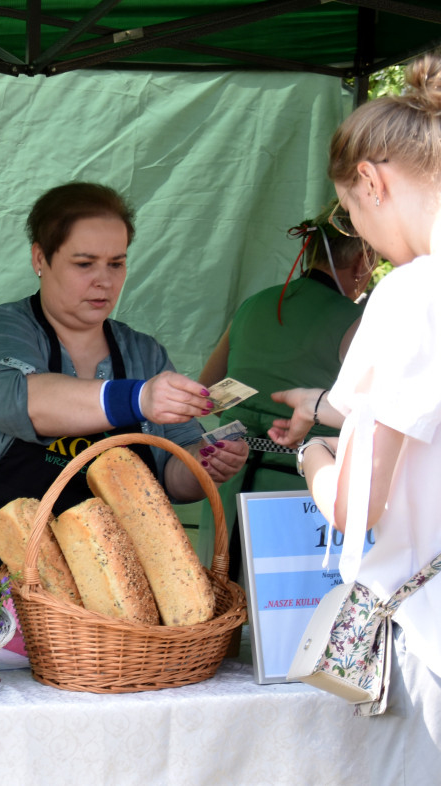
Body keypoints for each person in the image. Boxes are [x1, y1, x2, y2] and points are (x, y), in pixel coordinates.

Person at [0, 182, 248, 580]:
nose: (104, 281)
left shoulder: (144, 354)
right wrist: (138, 398)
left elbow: (173, 478)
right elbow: (29, 402)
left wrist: (206, 463)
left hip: (98, 601)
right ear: (40, 258)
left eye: (116, 263)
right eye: (84, 263)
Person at [269, 55, 441, 776]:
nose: (360, 237)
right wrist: (325, 410)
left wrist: (311, 459)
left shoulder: (411, 294)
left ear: (371, 181)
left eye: (349, 212)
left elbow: (355, 504)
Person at [196, 204, 378, 575]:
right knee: (287, 615)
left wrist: (249, 414)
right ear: (361, 261)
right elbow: (373, 413)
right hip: (298, 492)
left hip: (228, 480)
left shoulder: (254, 304)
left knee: (218, 609)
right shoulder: (356, 322)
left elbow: (205, 395)